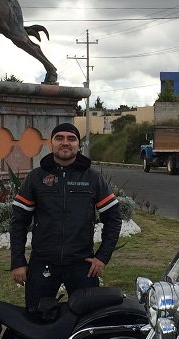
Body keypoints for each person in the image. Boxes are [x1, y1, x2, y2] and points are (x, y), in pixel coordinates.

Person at [9, 122, 122, 317]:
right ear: (51, 143)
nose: (65, 143)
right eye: (59, 138)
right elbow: (19, 221)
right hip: (42, 263)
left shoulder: (93, 178)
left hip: (82, 266)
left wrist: (102, 257)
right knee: (36, 321)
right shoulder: (36, 178)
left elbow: (113, 217)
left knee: (86, 323)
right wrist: (18, 261)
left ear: (79, 145)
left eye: (71, 138)